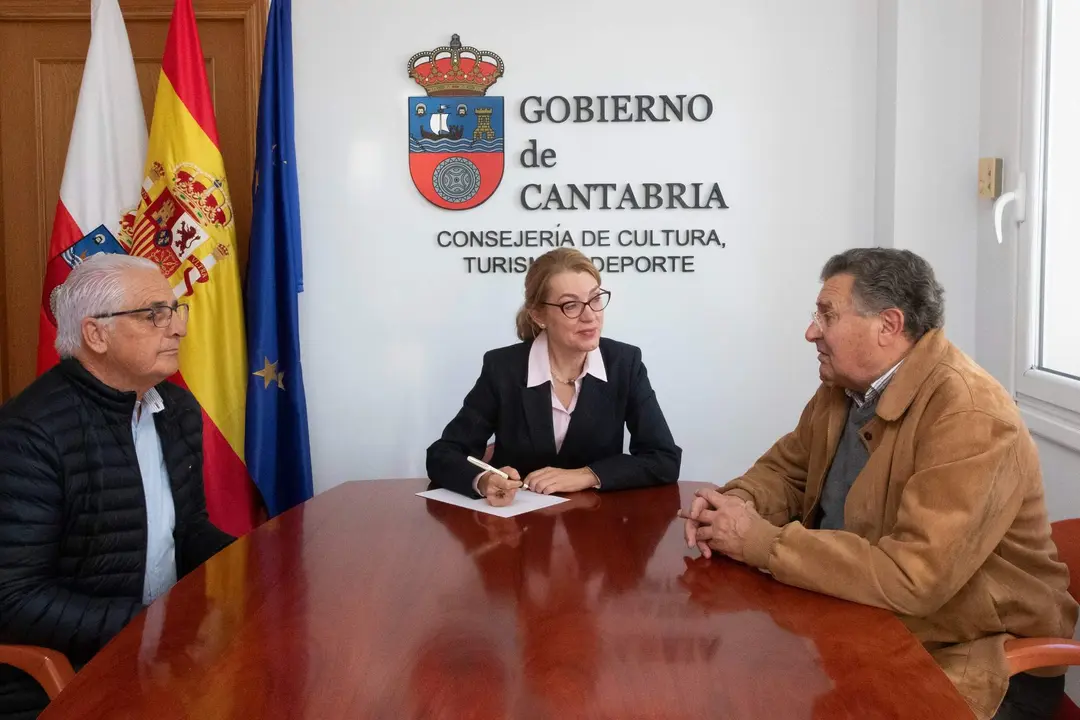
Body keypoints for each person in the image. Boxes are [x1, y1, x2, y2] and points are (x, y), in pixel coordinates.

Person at [680, 247, 1078, 720]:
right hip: (869, 623)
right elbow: (786, 471)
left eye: (826, 315)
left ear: (888, 326)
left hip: (977, 657)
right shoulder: (843, 388)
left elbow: (913, 578)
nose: (811, 331)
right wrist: (735, 505)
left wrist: (760, 542)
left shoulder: (971, 415)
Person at [0, 253, 234, 719]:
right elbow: (13, 599)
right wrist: (154, 625)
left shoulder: (177, 410)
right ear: (95, 334)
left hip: (162, 656)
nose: (178, 328)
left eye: (174, 309)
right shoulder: (31, 434)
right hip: (68, 676)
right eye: (153, 314)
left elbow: (186, 533)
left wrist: (260, 560)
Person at [427, 248, 681, 506]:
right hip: (518, 530)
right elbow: (443, 454)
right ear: (538, 315)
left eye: (595, 299)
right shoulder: (503, 368)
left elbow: (663, 459)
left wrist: (587, 475)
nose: (590, 316)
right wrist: (483, 480)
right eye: (571, 305)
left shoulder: (624, 363)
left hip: (598, 527)